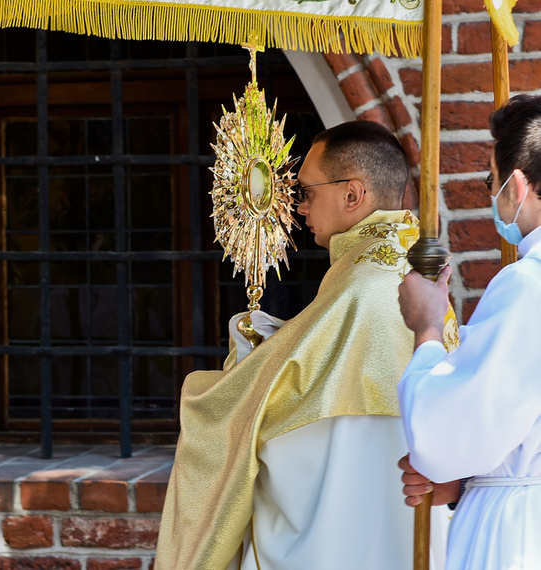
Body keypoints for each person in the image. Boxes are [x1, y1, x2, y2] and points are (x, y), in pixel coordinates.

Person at [155, 121, 455, 570]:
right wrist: (274, 345)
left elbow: (274, 395)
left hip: (339, 523)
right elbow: (314, 365)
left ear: (352, 194)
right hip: (402, 519)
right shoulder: (414, 271)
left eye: (307, 191)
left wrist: (239, 366)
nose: (299, 207)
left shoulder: (361, 284)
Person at [398, 94, 541, 569]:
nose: (492, 194)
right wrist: (465, 483)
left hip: (520, 533)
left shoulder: (528, 285)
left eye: (491, 181)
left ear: (517, 186)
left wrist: (427, 327)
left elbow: (442, 441)